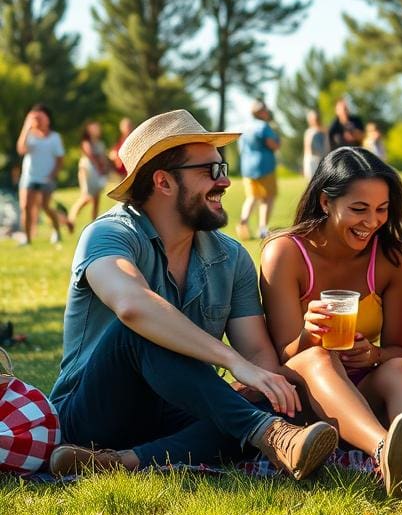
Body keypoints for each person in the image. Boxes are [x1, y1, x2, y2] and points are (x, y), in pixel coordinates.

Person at [46, 109, 337, 478]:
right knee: (138, 331)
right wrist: (233, 364)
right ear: (164, 182)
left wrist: (259, 383)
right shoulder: (108, 235)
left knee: (278, 393)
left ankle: (120, 463)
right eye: (210, 171)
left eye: (225, 168)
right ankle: (269, 434)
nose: (226, 182)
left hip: (176, 407)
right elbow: (132, 306)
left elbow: (258, 354)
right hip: (91, 416)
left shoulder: (231, 257)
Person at [259, 147, 402, 497]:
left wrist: (372, 355)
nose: (372, 222)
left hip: (363, 390)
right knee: (319, 357)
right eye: (359, 209)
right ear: (326, 202)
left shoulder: (396, 257)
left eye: (382, 210)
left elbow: (399, 349)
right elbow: (283, 356)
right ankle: (387, 452)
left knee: (399, 368)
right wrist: (309, 336)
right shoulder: (285, 253)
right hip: (303, 401)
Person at [16, 104, 68, 245]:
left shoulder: (55, 138)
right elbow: (21, 149)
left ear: (47, 119)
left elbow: (60, 160)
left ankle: (56, 231)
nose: (37, 120)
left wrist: (52, 176)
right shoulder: (30, 136)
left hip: (46, 178)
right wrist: (26, 127)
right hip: (29, 177)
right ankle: (27, 238)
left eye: (40, 117)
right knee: (26, 206)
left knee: (45, 206)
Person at [236, 100, 281, 241]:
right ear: (261, 112)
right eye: (266, 110)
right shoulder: (263, 126)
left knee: (251, 197)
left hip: (247, 167)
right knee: (267, 198)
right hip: (264, 166)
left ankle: (243, 222)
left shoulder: (244, 126)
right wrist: (278, 141)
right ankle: (262, 228)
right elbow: (272, 145)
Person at [68, 121, 111, 227]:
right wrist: (100, 167)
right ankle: (71, 218)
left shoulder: (100, 143)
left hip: (97, 172)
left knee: (96, 199)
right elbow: (91, 156)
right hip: (88, 170)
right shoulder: (86, 142)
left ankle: (94, 223)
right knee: (86, 197)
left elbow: (103, 158)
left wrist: (105, 168)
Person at [302, 110, 328, 179]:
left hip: (323, 160)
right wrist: (306, 164)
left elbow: (327, 146)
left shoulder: (325, 131)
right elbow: (307, 149)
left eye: (316, 118)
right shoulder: (309, 132)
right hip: (312, 160)